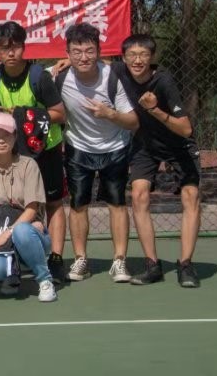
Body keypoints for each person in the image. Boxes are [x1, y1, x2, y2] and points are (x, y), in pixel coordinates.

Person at [112, 34, 201, 287]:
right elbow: (97, 63)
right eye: (132, 55)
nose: (137, 60)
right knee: (138, 195)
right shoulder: (119, 70)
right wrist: (64, 62)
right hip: (146, 144)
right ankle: (152, 265)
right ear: (124, 58)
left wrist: (154, 109)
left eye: (143, 55)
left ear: (152, 57)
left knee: (191, 196)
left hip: (178, 144)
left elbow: (185, 129)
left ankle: (186, 265)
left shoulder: (164, 81)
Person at [0, 21, 68, 284]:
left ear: (24, 47)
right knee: (18, 203)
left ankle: (56, 258)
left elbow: (59, 113)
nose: (11, 53)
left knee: (53, 203)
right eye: (4, 48)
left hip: (46, 149)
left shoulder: (38, 76)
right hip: (15, 153)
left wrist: (26, 115)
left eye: (16, 47)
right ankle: (20, 253)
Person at [57, 23, 139, 283]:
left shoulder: (113, 77)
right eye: (77, 51)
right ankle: (81, 259)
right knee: (78, 204)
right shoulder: (58, 77)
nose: (84, 57)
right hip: (78, 148)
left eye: (89, 51)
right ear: (67, 54)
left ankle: (119, 261)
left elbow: (133, 121)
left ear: (99, 51)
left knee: (117, 203)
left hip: (115, 148)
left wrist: (109, 114)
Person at [0, 113, 57, 302]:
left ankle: (45, 280)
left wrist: (7, 234)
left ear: (15, 136)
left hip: (29, 231)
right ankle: (11, 275)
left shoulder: (28, 165)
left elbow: (31, 209)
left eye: (6, 134)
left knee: (22, 231)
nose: (1, 140)